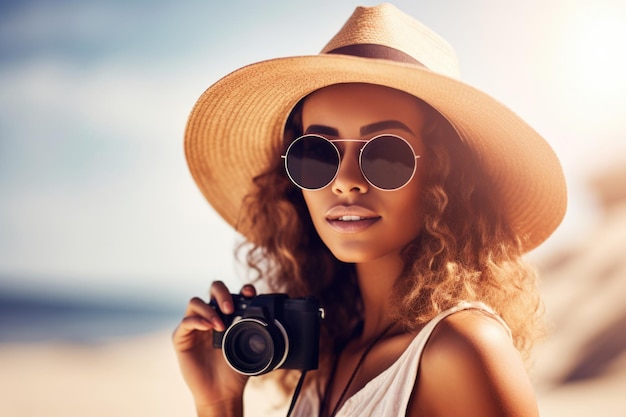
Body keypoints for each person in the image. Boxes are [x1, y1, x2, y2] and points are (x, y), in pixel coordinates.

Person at [173, 3, 567, 417]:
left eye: (385, 154)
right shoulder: (330, 352)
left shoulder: (461, 348)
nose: (344, 180)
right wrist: (218, 402)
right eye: (316, 154)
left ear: (442, 174)